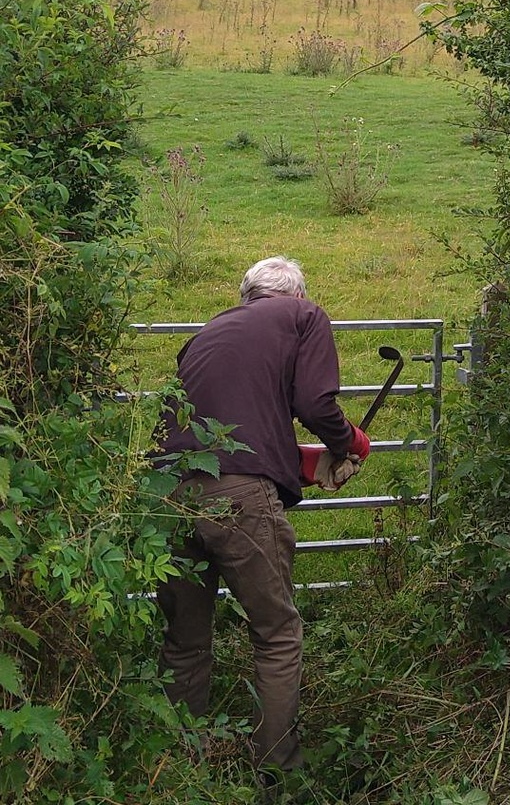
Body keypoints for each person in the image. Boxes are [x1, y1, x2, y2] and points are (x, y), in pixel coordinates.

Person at [155, 255, 369, 785]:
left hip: (168, 491)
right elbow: (315, 403)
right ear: (296, 295)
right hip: (240, 500)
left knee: (185, 638)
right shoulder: (303, 316)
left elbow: (229, 431)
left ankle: (180, 765)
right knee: (276, 633)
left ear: (246, 295)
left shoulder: (207, 334)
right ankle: (279, 772)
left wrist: (301, 463)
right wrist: (346, 443)